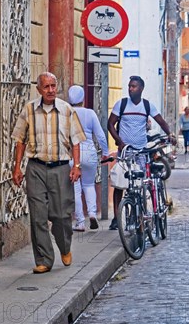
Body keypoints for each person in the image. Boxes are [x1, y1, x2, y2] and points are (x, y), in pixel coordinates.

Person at [11, 72, 86, 274]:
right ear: (39, 89)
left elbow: (76, 140)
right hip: (35, 167)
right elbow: (20, 140)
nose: (51, 90)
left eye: (53, 86)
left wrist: (76, 166)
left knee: (61, 215)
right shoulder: (29, 110)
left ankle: (64, 246)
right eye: (47, 87)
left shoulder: (66, 110)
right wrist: (17, 167)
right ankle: (44, 259)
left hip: (61, 168)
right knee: (38, 216)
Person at [107, 75, 175, 230]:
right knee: (119, 184)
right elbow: (110, 124)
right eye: (130, 86)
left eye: (134, 86)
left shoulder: (147, 106)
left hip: (142, 153)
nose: (131, 89)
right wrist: (119, 142)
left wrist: (170, 134)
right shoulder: (121, 104)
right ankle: (117, 218)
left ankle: (136, 216)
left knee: (140, 186)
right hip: (125, 153)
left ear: (141, 89)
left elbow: (161, 121)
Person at [67, 85, 110, 232]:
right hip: (90, 152)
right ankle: (92, 213)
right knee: (89, 185)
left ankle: (80, 222)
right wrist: (105, 152)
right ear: (83, 99)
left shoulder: (67, 113)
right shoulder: (90, 113)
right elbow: (100, 135)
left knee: (76, 188)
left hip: (73, 153)